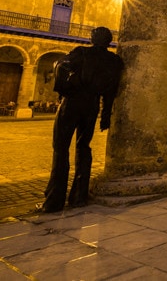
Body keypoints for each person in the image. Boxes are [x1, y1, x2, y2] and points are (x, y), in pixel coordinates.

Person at [38, 26, 124, 212]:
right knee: (84, 147)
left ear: (93, 38)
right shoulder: (114, 61)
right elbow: (111, 91)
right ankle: (79, 196)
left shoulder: (82, 52)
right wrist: (106, 115)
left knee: (61, 149)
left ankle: (54, 200)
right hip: (92, 106)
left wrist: (64, 91)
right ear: (109, 41)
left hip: (73, 102)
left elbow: (61, 66)